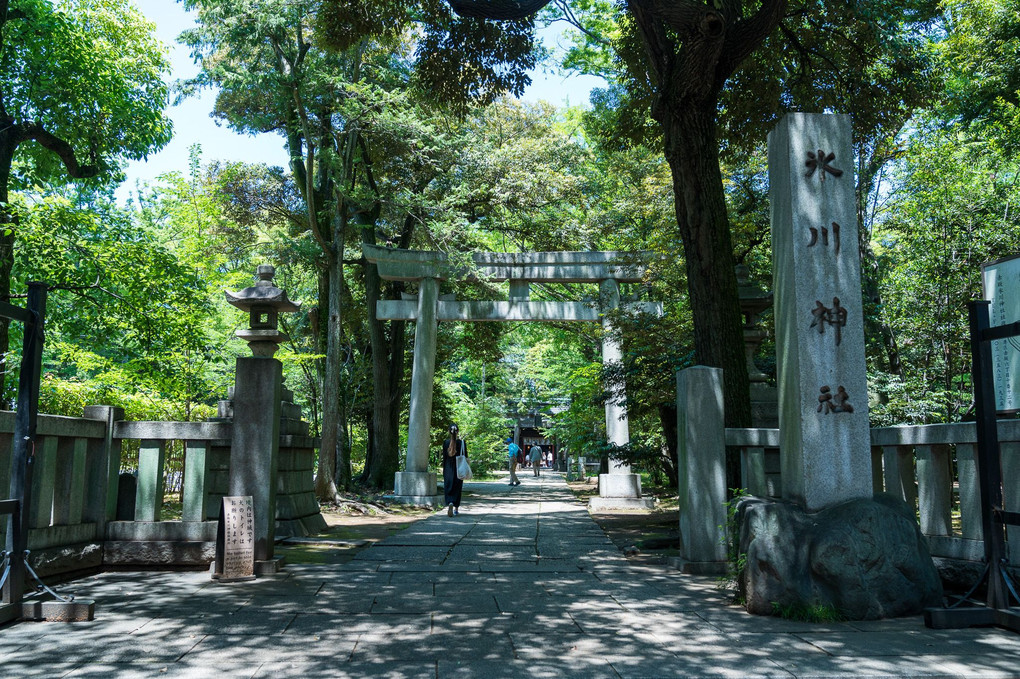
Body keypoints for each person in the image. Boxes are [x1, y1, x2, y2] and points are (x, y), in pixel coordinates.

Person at [442, 424, 467, 516]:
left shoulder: (446, 443)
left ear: (449, 431)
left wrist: (444, 470)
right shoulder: (462, 443)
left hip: (448, 468)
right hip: (459, 468)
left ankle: (449, 503)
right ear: (458, 432)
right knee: (457, 488)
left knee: (448, 487)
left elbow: (444, 458)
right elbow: (465, 456)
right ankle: (456, 508)